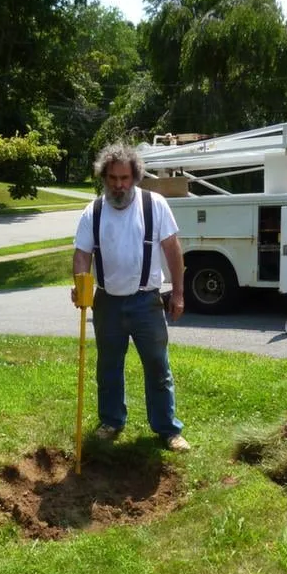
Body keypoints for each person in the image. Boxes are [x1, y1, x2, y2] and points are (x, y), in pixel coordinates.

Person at [72, 142, 190, 452]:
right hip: (107, 302)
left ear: (135, 177)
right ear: (104, 178)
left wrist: (177, 293)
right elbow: (82, 254)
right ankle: (111, 421)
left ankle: (168, 429)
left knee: (157, 365)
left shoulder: (155, 205)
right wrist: (81, 283)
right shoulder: (93, 211)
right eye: (112, 179)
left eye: (124, 178)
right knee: (108, 365)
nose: (119, 185)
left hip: (145, 301)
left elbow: (173, 250)